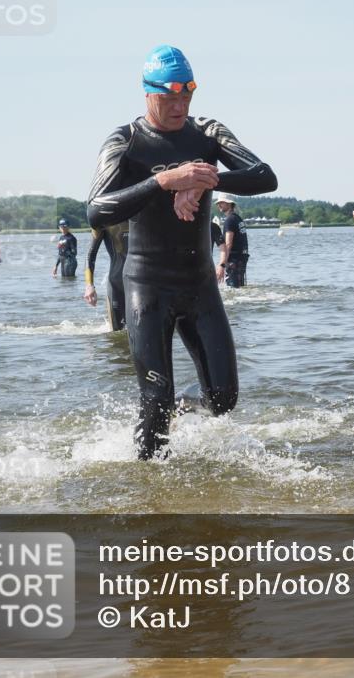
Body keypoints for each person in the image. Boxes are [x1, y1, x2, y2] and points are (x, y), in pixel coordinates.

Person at [86, 44, 277, 459]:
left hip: (199, 285)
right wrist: (165, 180)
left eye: (187, 95)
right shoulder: (127, 140)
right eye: (169, 97)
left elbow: (264, 177)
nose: (180, 105)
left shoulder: (207, 132)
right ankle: (150, 498)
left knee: (224, 399)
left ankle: (182, 410)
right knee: (154, 402)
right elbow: (96, 209)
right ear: (148, 94)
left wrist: (204, 178)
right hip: (147, 287)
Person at [83, 221, 129, 331]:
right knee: (117, 332)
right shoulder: (104, 219)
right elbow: (90, 255)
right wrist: (89, 285)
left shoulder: (142, 211)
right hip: (117, 285)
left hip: (143, 284)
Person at [215, 193, 250, 287]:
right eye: (218, 203)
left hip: (234, 260)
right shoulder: (238, 218)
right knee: (240, 287)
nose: (219, 205)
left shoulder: (229, 220)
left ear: (229, 204)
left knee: (233, 288)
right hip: (242, 257)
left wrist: (222, 264)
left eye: (222, 202)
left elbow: (228, 244)